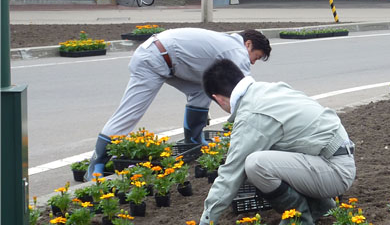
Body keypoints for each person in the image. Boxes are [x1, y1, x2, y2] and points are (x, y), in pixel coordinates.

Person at [194, 58, 356, 225]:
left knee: (255, 165)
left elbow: (230, 174)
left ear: (218, 98)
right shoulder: (269, 89)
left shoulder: (252, 115)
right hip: (336, 158)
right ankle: (320, 205)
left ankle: (299, 221)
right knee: (268, 155)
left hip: (335, 171)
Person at [85, 28, 271, 180]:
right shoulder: (236, 50)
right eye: (256, 56)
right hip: (153, 59)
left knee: (202, 90)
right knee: (129, 114)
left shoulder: (226, 43)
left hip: (168, 59)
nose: (253, 62)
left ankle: (193, 140)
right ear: (248, 44)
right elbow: (245, 90)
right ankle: (97, 163)